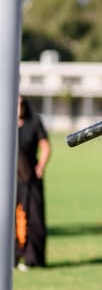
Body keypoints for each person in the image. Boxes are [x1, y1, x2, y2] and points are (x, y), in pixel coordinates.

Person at [14, 96, 51, 271]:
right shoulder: (6, 123)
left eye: (20, 104)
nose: (18, 107)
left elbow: (45, 146)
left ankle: (32, 258)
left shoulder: (34, 122)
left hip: (30, 178)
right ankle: (12, 257)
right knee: (12, 219)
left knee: (34, 220)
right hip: (12, 180)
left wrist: (41, 166)